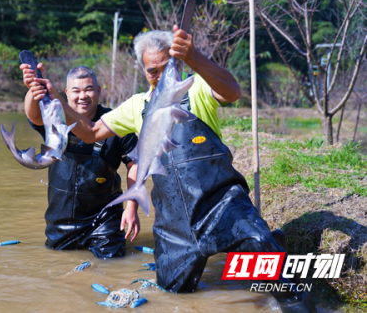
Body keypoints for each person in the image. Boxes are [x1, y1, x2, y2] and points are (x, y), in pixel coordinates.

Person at [22, 27, 316, 312]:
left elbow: (233, 92)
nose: (159, 76)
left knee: (266, 255)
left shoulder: (196, 87)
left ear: (177, 62)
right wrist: (56, 97)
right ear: (143, 71)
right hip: (174, 225)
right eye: (152, 71)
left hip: (221, 203)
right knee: (173, 296)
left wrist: (194, 57)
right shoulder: (136, 106)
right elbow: (90, 131)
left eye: (166, 66)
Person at [20, 63, 140, 258]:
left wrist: (132, 206)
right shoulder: (55, 118)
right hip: (61, 221)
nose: (82, 96)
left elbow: (135, 163)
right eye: (76, 91)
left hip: (104, 220)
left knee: (112, 266)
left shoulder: (114, 121)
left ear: (99, 91)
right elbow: (33, 115)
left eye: (89, 89)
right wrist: (33, 88)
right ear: (67, 93)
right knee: (56, 266)